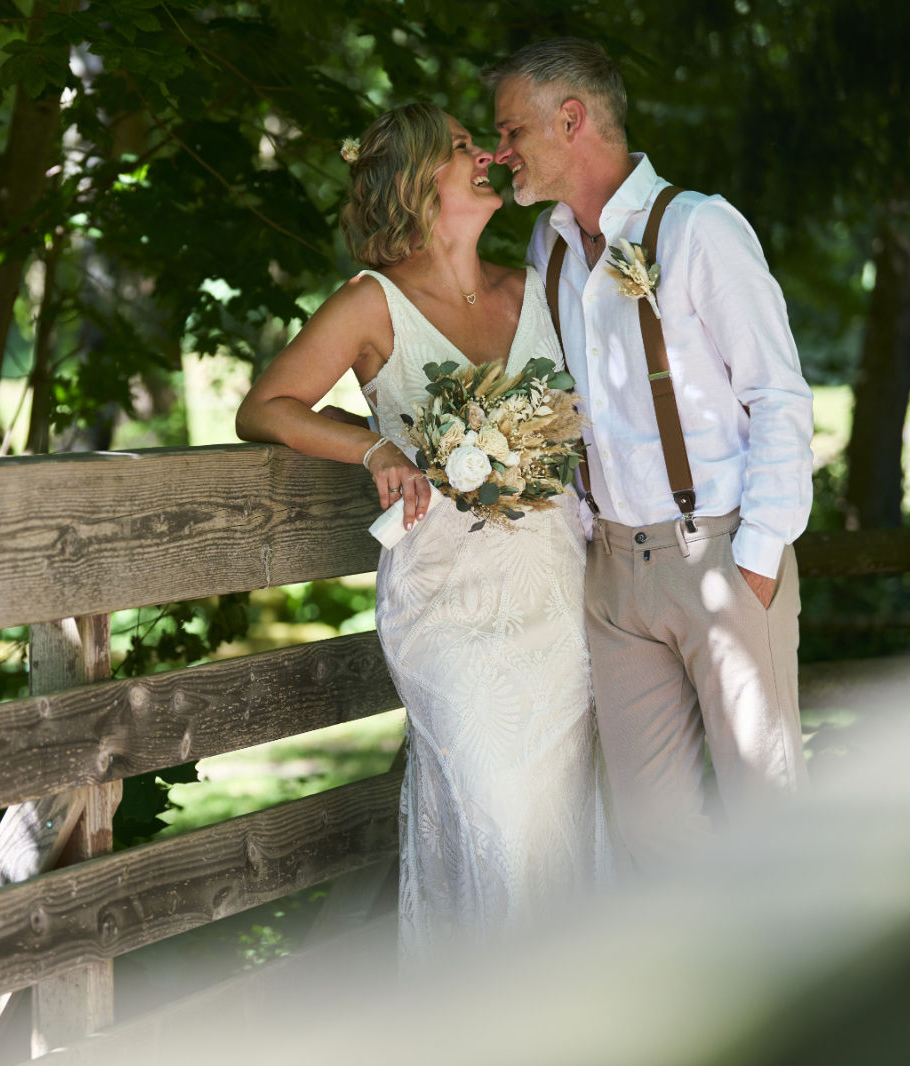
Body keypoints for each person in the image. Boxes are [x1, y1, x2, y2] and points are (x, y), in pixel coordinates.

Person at [236, 102, 611, 956]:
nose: (487, 154)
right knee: (501, 825)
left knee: (559, 831)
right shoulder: (373, 306)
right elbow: (265, 406)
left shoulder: (536, 286)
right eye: (463, 147)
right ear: (417, 178)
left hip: (558, 604)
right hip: (447, 612)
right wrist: (371, 447)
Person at [484, 39, 814, 869]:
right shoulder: (550, 248)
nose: (501, 152)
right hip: (612, 574)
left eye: (513, 130)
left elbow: (777, 394)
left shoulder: (700, 229)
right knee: (653, 836)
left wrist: (761, 556)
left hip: (721, 554)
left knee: (765, 813)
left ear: (572, 120)